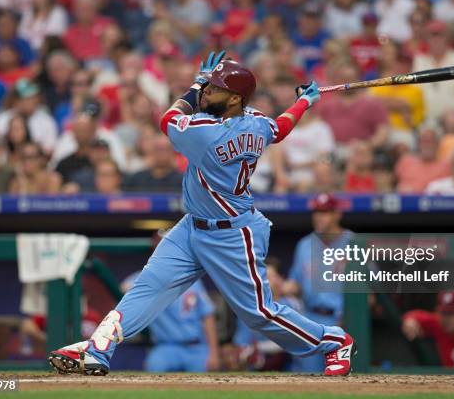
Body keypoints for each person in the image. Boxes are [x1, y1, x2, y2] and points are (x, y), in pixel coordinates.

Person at [48, 51, 355, 377]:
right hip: (191, 227)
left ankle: (334, 340)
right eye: (208, 85)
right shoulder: (256, 120)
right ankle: (98, 349)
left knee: (259, 313)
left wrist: (194, 84)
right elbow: (279, 128)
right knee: (148, 286)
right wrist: (304, 103)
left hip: (233, 233)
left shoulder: (205, 131)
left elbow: (168, 117)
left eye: (215, 88)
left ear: (235, 98)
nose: (208, 91)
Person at [283, 193, 353, 372]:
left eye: (325, 212)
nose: (319, 217)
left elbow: (370, 291)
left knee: (345, 380)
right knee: (309, 379)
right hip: (311, 320)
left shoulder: (354, 243)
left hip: (343, 321)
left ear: (338, 214)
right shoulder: (304, 245)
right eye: (316, 212)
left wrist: (352, 318)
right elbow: (296, 284)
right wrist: (287, 287)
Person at [120, 275, 219, 372]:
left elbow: (208, 316)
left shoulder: (194, 280)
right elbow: (125, 287)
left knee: (203, 380)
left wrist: (214, 353)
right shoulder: (151, 275)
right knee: (154, 366)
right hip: (166, 346)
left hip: (196, 346)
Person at [412, 20, 454, 124]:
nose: (436, 39)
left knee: (452, 121)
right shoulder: (417, 62)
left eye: (440, 35)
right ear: (426, 39)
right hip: (419, 119)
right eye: (432, 35)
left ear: (448, 38)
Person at [395, 128, 450, 194]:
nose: (427, 145)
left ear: (437, 144)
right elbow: (391, 184)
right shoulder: (405, 161)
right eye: (423, 141)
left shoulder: (446, 165)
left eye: (430, 141)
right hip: (405, 201)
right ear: (418, 144)